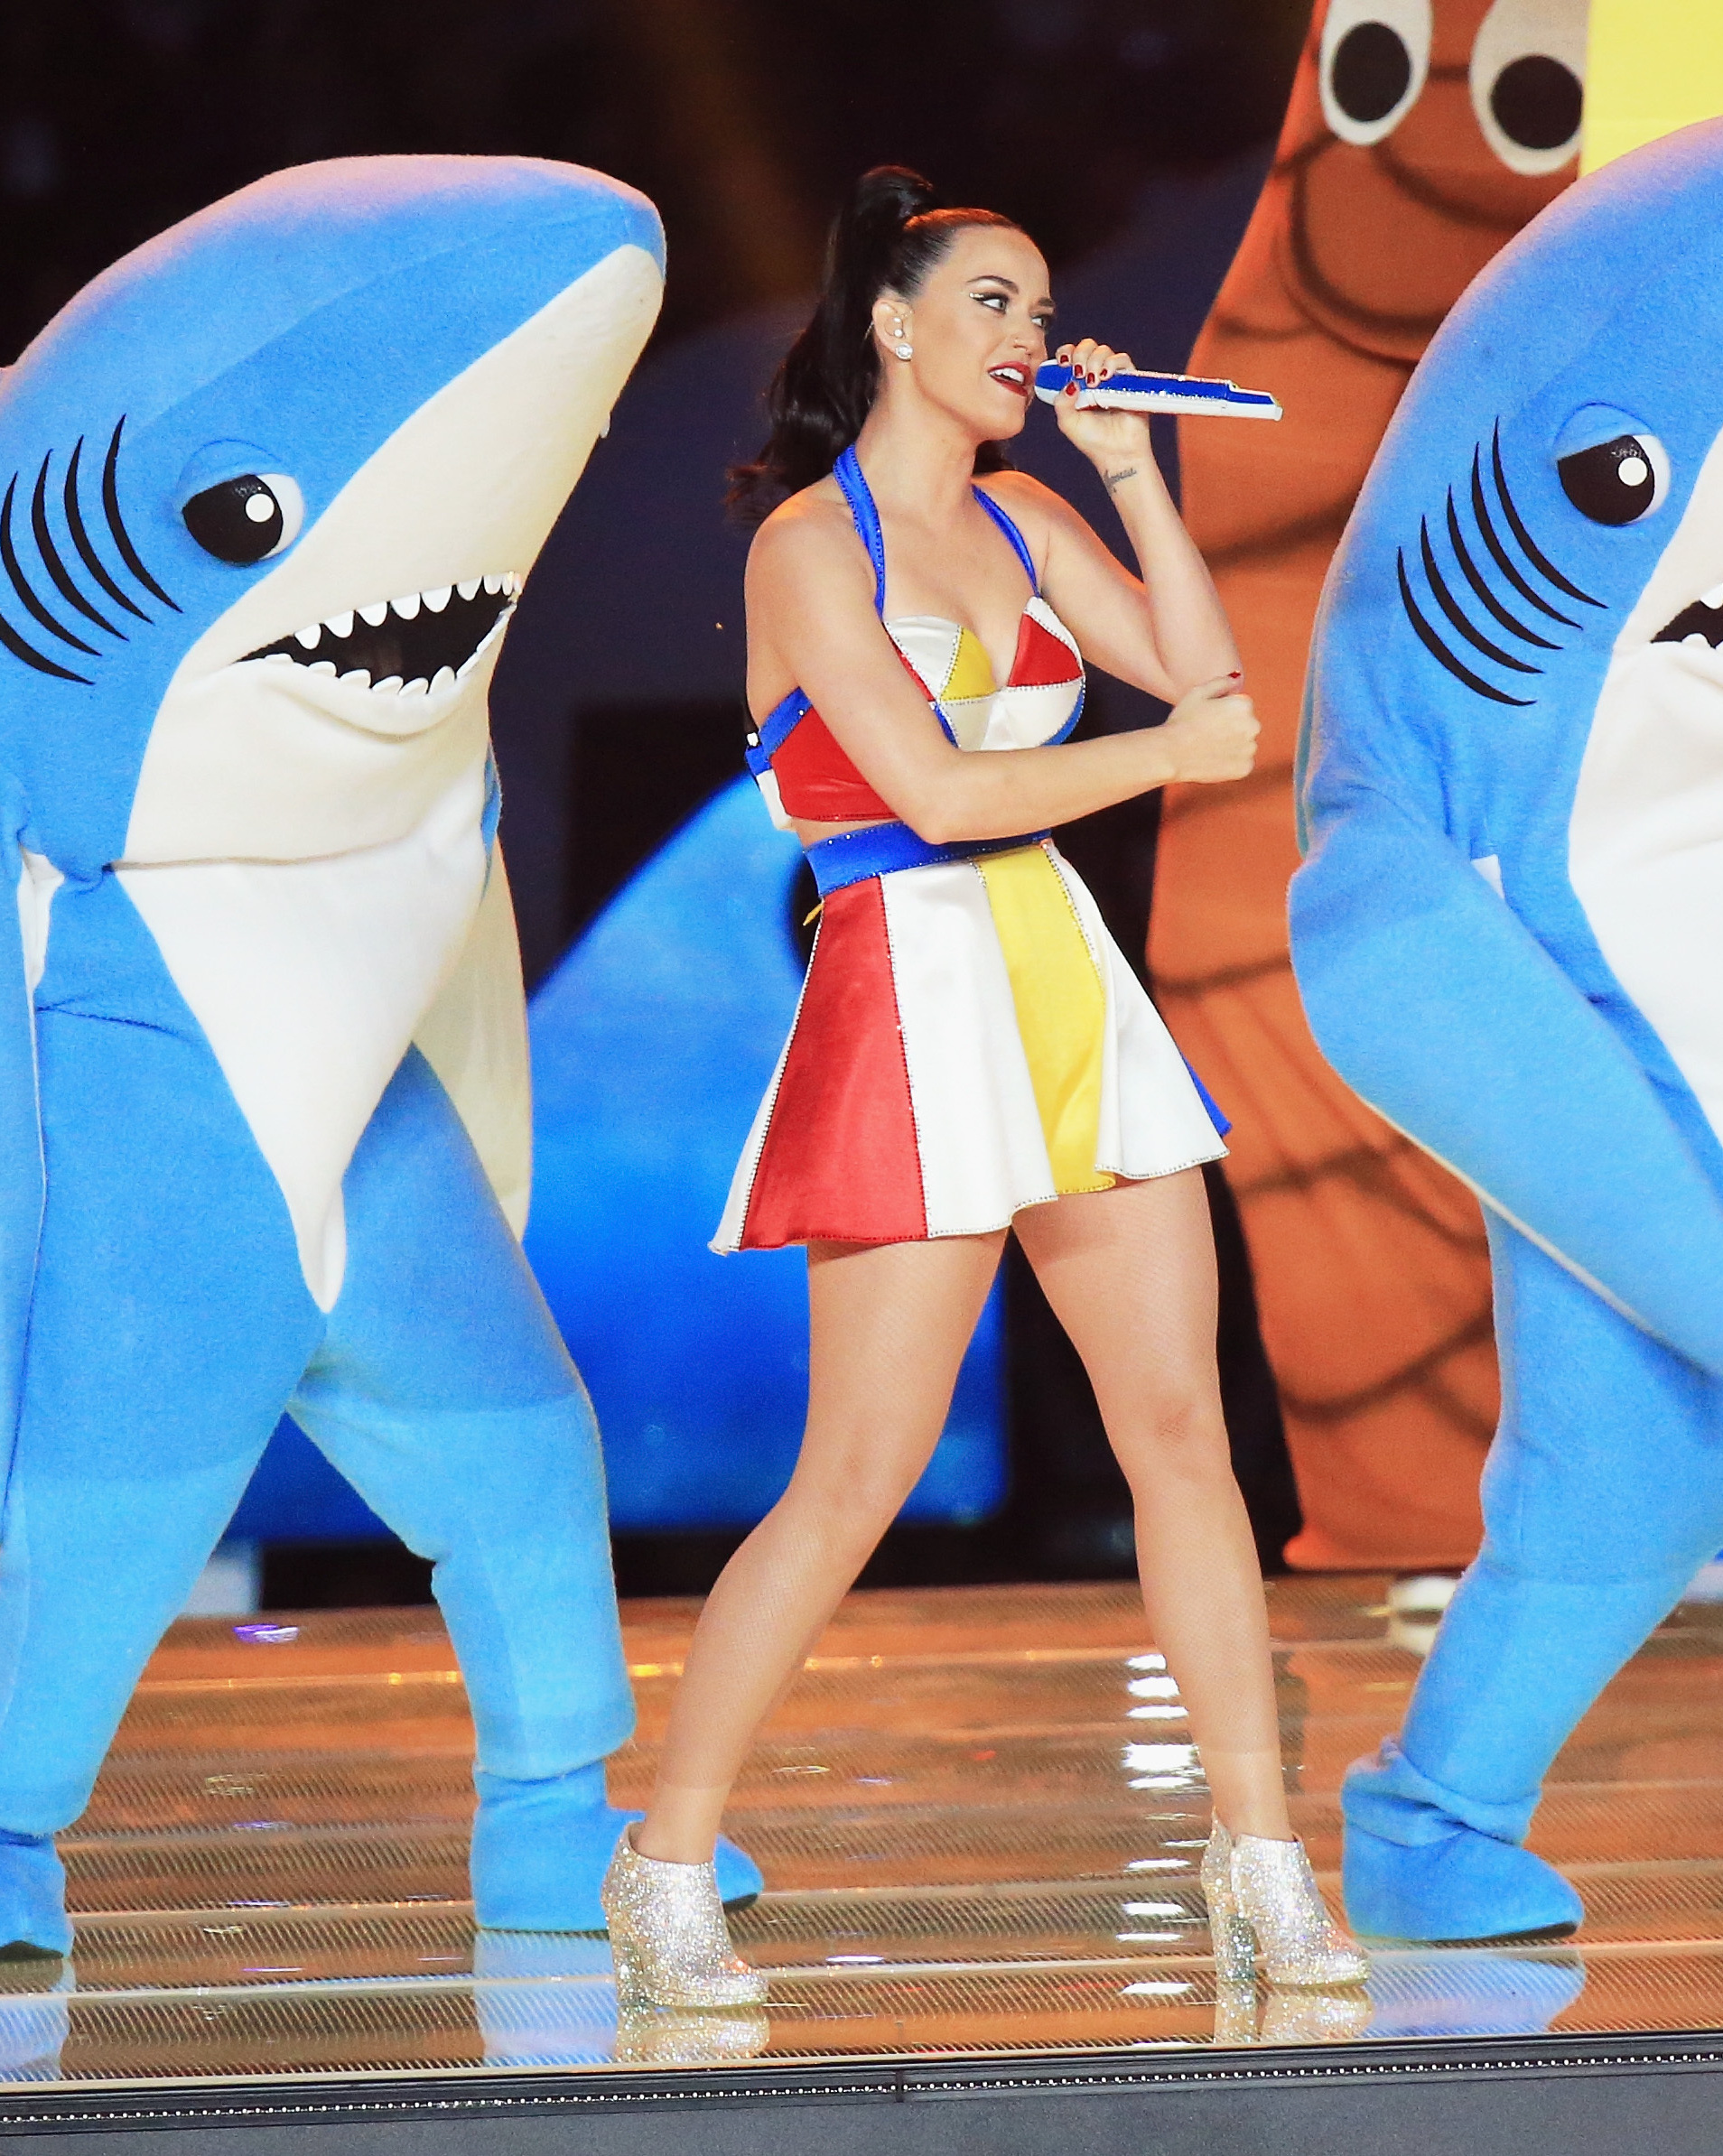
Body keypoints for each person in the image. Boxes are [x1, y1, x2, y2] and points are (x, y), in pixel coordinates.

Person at [598, 165, 1364, 2010]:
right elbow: (935, 800)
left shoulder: (1030, 510)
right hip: (901, 990)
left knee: (1183, 1434)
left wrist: (1119, 473)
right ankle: (662, 1853)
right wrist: (1164, 757)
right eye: (996, 308)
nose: (1032, 339)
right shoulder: (806, 544)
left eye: (1036, 309)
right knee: (854, 1474)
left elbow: (1205, 681)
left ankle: (1258, 1859)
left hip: (1056, 990)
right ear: (893, 324)